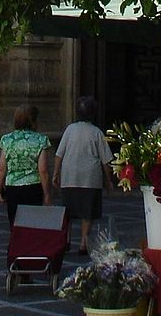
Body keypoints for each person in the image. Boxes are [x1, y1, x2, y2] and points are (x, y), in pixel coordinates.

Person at [53, 95, 114, 256]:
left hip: (70, 175)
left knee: (68, 211)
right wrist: (108, 180)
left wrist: (56, 173)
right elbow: (105, 159)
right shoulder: (97, 133)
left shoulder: (70, 130)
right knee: (88, 212)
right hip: (90, 178)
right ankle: (83, 242)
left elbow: (59, 154)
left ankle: (66, 240)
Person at [0, 104, 52, 225]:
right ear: (34, 121)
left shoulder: (7, 139)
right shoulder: (41, 140)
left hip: (13, 187)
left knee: (15, 223)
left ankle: (16, 243)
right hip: (33, 186)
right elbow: (43, 170)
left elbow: (1, 168)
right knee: (32, 224)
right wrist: (47, 194)